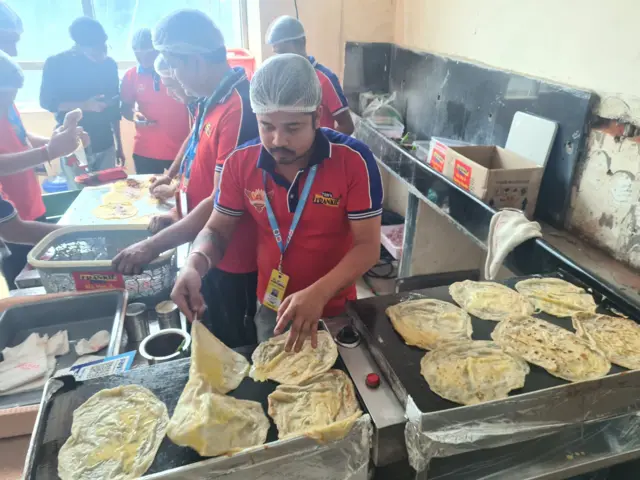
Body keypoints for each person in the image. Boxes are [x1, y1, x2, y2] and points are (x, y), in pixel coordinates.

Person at [170, 54, 383, 352]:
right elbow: (217, 230)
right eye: (266, 125)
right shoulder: (240, 163)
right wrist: (194, 264)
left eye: (292, 128)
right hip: (272, 307)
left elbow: (368, 247)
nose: (277, 140)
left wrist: (319, 294)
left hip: (335, 307)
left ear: (317, 115)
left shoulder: (353, 161)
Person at [112, 9, 260, 347]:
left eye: (174, 66)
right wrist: (178, 213)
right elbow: (200, 169)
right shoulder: (213, 99)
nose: (174, 78)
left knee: (235, 346)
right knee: (211, 336)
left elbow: (223, 199)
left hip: (232, 255)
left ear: (193, 60)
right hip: (207, 249)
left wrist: (151, 247)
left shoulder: (239, 108)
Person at [0, 19, 89, 287]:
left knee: (46, 276)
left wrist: (60, 142)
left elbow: (21, 138)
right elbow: (14, 230)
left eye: (13, 97)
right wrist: (49, 152)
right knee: (24, 279)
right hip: (10, 219)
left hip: (30, 203)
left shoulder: (8, 108)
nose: (9, 103)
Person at [40, 16, 124, 189]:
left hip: (105, 141)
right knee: (79, 194)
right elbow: (47, 102)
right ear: (79, 46)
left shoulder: (109, 65)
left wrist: (119, 145)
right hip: (73, 144)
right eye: (95, 50)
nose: (101, 53)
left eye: (104, 47)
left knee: (109, 193)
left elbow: (115, 108)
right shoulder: (57, 64)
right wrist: (84, 105)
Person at [265, 15, 355, 136]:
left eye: (284, 52)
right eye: (277, 54)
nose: (281, 59)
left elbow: (347, 126)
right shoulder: (283, 79)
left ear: (302, 42)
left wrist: (320, 147)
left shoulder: (324, 79)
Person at [120, 28, 190, 175]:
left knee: (182, 194)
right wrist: (135, 116)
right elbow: (126, 109)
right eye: (137, 53)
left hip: (181, 148)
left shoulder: (176, 71)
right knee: (147, 193)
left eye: (147, 52)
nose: (142, 58)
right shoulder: (131, 76)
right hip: (146, 150)